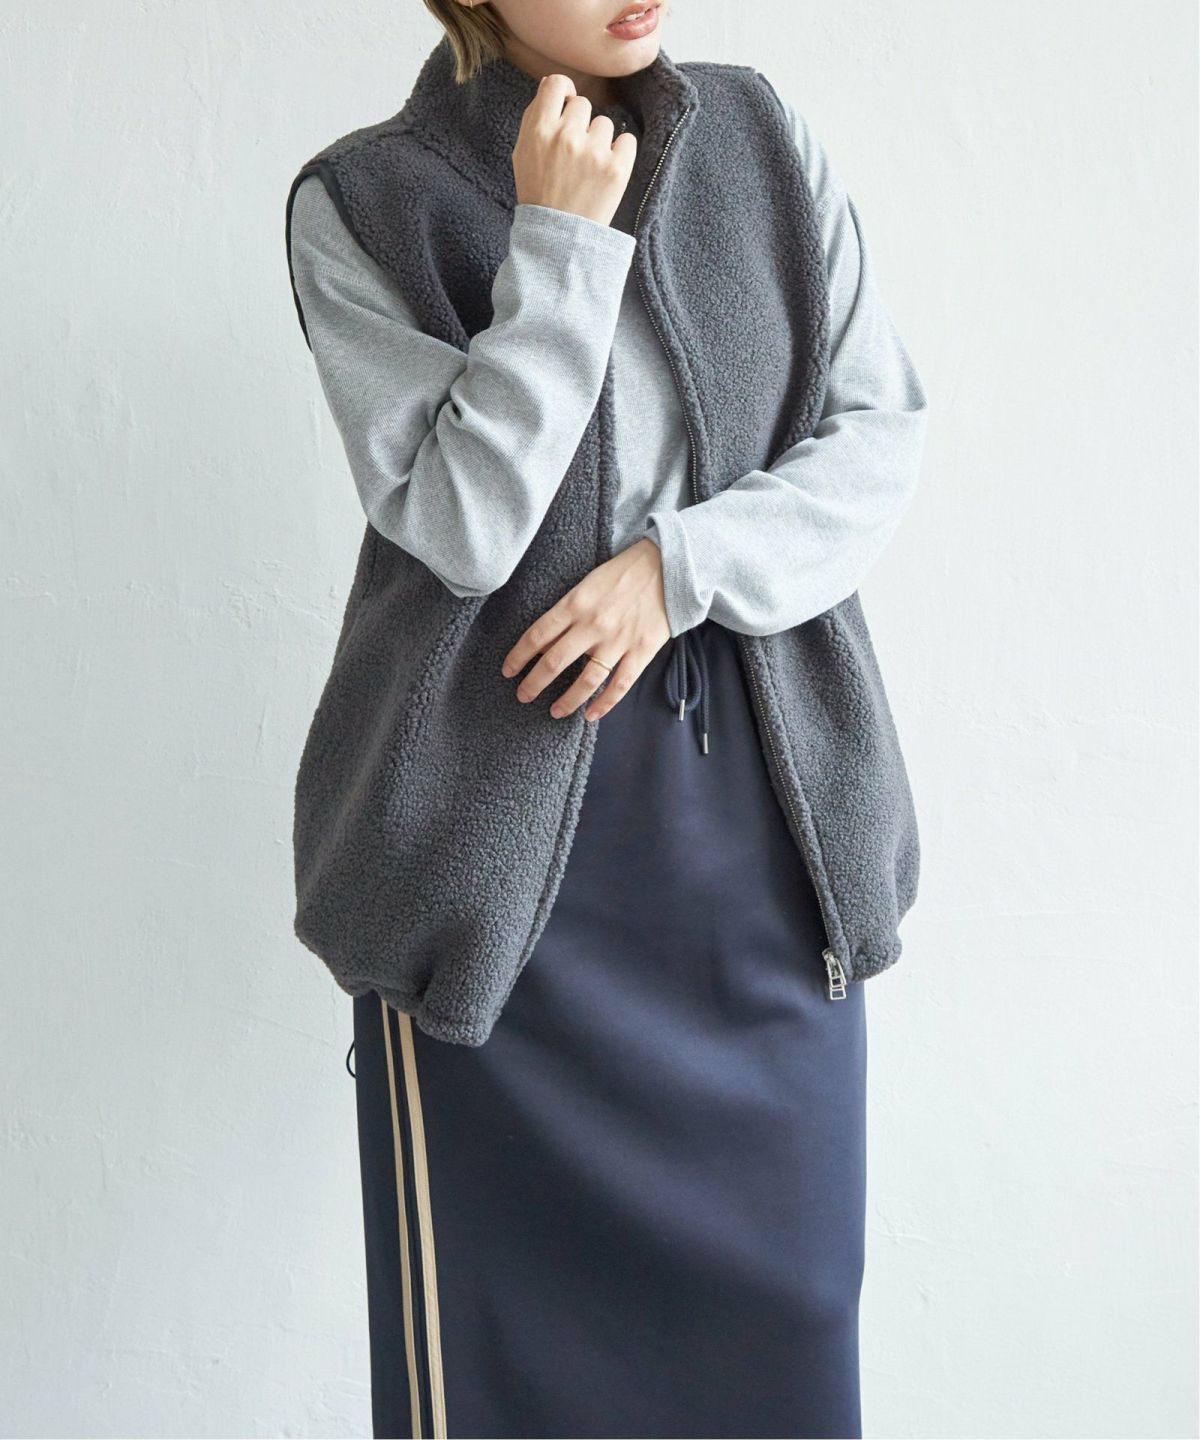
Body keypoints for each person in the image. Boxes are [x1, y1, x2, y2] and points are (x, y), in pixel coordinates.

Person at [284, 1, 928, 1435]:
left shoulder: (757, 138)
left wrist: (673, 573)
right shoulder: (364, 202)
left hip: (761, 842)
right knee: (502, 1376)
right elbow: (463, 526)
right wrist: (560, 243)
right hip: (494, 881)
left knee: (788, 1338)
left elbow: (878, 433)